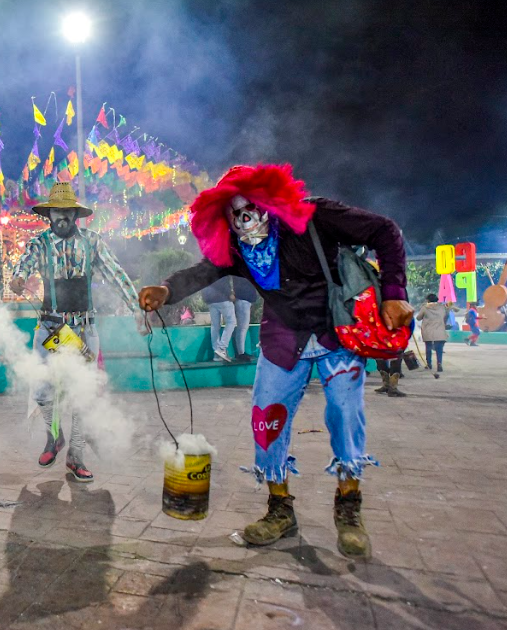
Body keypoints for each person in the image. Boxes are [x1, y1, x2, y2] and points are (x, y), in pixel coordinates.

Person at [139, 164, 412, 559]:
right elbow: (202, 271)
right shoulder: (235, 247)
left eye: (250, 207)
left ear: (268, 200)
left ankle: (349, 508)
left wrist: (394, 290)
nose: (243, 218)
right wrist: (165, 289)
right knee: (266, 420)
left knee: (345, 414)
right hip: (283, 337)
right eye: (233, 212)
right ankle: (280, 509)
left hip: (335, 332)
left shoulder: (314, 215)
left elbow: (385, 231)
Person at [10, 182, 141, 483]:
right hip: (51, 327)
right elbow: (23, 265)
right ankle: (54, 436)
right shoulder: (39, 243)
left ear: (76, 214)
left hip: (83, 327)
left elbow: (116, 274)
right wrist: (18, 278)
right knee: (43, 390)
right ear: (49, 214)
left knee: (83, 394)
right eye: (58, 211)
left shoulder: (92, 242)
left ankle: (76, 456)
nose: (63, 217)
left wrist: (136, 306)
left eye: (68, 211)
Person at [415, 293, 456, 372]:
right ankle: (439, 363)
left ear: (428, 300)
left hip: (428, 331)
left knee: (428, 348)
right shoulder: (442, 307)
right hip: (439, 330)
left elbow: (418, 318)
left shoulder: (425, 307)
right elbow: (448, 313)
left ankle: (429, 364)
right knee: (439, 349)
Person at [201, 276, 235, 362]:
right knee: (231, 322)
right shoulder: (220, 264)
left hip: (210, 299)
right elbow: (222, 280)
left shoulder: (206, 266)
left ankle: (216, 354)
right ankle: (221, 348)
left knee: (215, 326)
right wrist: (229, 293)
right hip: (222, 298)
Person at [233, 276, 258, 361]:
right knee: (242, 327)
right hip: (243, 299)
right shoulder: (241, 272)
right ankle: (241, 353)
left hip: (244, 300)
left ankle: (241, 351)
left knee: (243, 327)